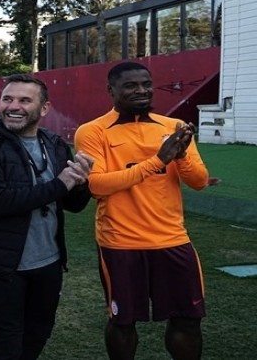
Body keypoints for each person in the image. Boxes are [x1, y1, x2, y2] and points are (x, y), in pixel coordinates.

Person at [74, 62, 209, 360]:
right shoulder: (93, 131)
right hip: (120, 242)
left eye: (146, 84)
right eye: (131, 85)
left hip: (172, 240)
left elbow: (199, 181)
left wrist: (181, 156)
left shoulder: (173, 127)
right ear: (111, 90)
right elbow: (96, 185)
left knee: (188, 319)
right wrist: (157, 161)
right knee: (122, 322)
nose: (141, 91)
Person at [0, 74, 93, 360]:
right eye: (7, 99)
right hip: (2, 265)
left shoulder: (55, 144)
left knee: (38, 333)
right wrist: (60, 184)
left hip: (49, 262)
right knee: (6, 344)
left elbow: (72, 204)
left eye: (24, 100)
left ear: (44, 108)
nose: (13, 106)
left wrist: (82, 183)